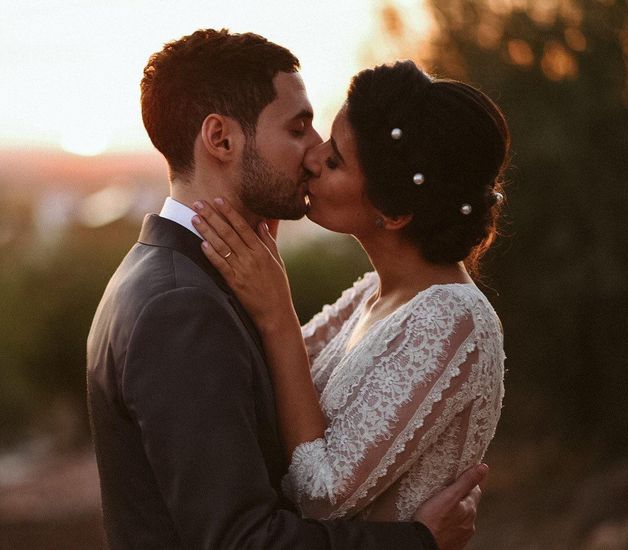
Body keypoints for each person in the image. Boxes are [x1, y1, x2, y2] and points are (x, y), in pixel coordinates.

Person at [87, 30, 485, 549]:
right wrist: (416, 541)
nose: (316, 150)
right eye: (298, 128)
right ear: (221, 139)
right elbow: (243, 540)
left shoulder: (178, 276)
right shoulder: (180, 305)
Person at [189, 60, 508, 523]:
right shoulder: (373, 294)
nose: (313, 158)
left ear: (394, 212)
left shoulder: (453, 320)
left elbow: (321, 495)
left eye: (335, 160)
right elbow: (267, 386)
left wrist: (279, 311)